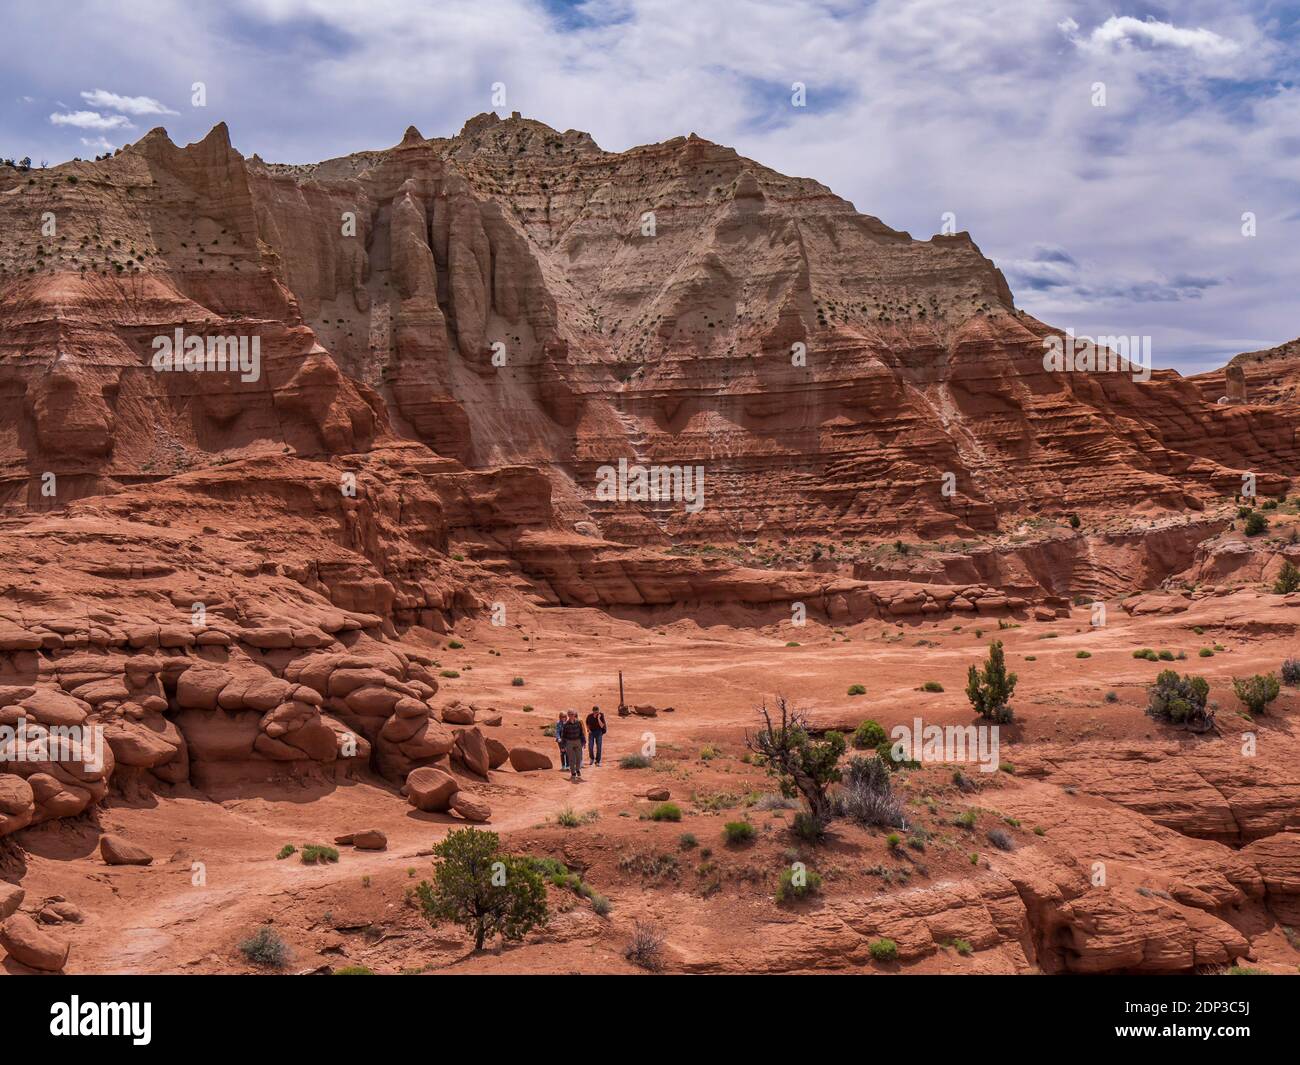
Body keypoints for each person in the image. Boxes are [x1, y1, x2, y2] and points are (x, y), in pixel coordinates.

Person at [560, 709, 585, 781]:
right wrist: (562, 746)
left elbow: (581, 733)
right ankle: (573, 772)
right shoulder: (566, 725)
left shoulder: (578, 723)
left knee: (579, 757)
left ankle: (577, 769)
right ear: (568, 715)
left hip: (578, 741)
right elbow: (563, 736)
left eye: (572, 714)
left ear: (575, 715)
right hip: (569, 742)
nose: (571, 716)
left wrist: (584, 742)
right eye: (570, 714)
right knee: (571, 759)